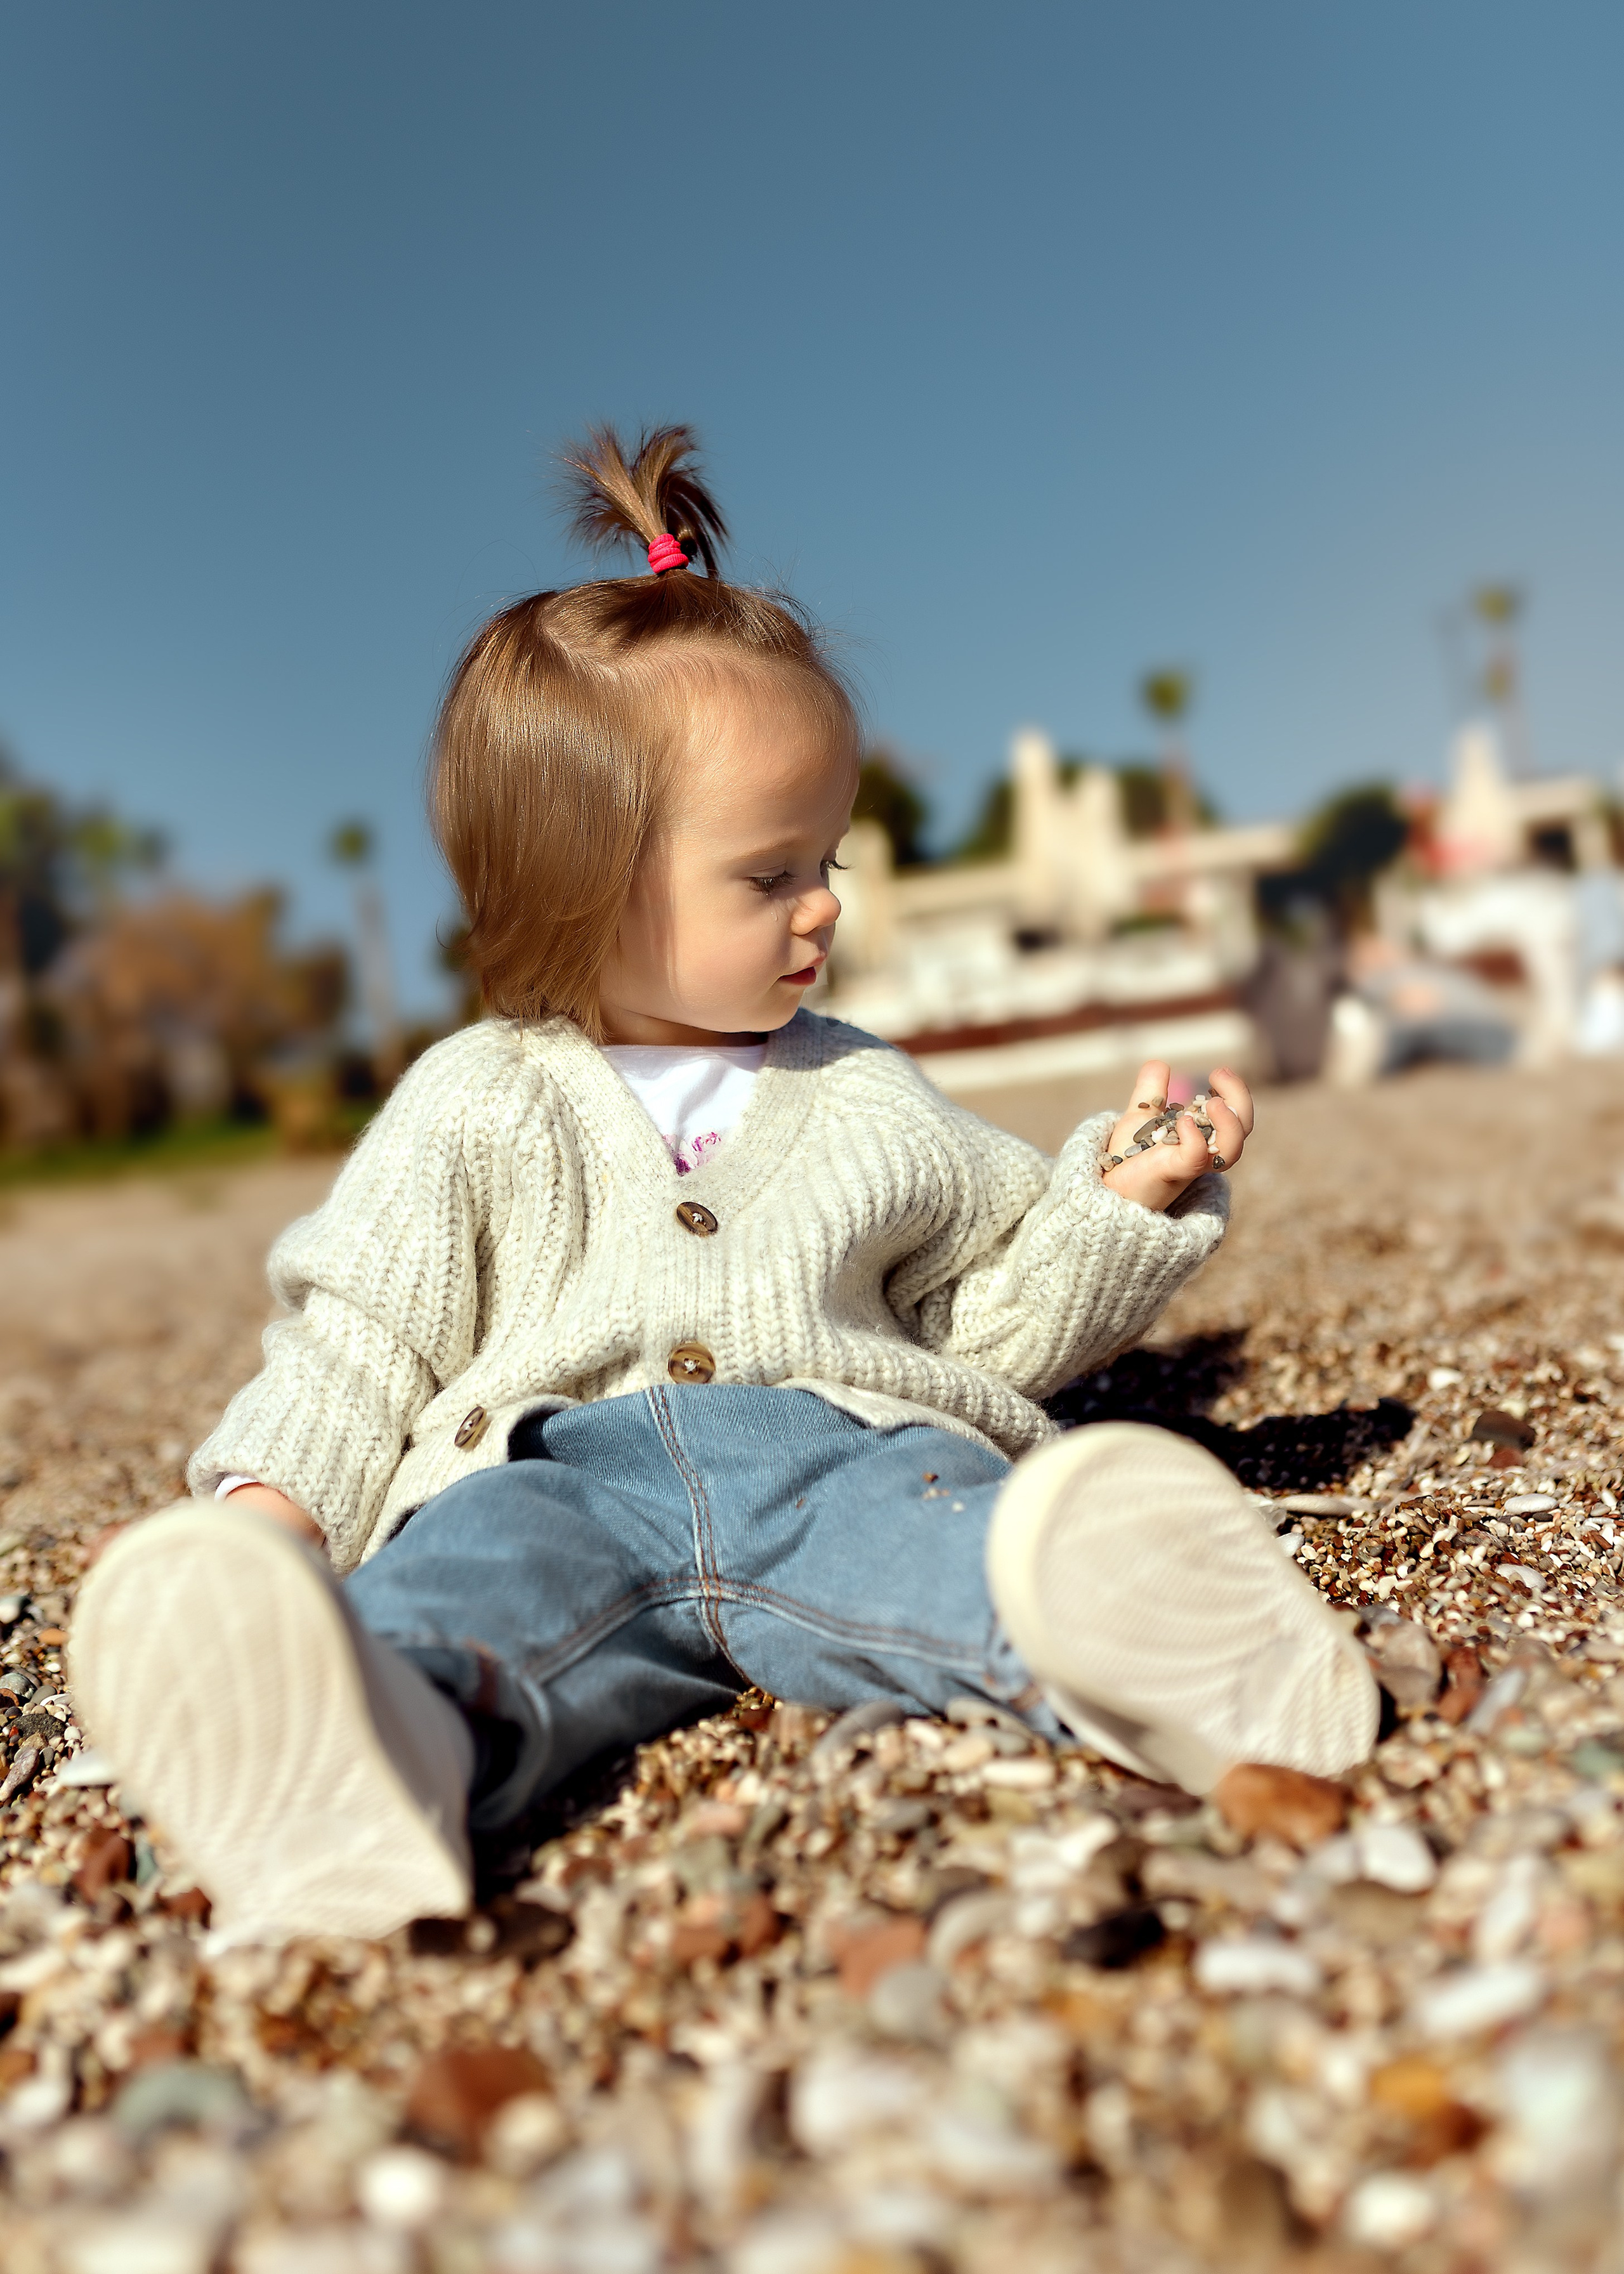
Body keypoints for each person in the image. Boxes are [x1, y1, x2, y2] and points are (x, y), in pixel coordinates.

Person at [69, 429, 1377, 1944]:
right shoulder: (477, 1098)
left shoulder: (861, 1093)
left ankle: (1154, 1652)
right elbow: (363, 1341)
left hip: (830, 1451)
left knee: (956, 1540)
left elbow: (984, 1327)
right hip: (547, 1473)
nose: (822, 906)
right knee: (455, 1602)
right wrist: (270, 1514)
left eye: (826, 860)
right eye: (770, 875)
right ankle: (367, 1755)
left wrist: (1115, 1205)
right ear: (579, 884)